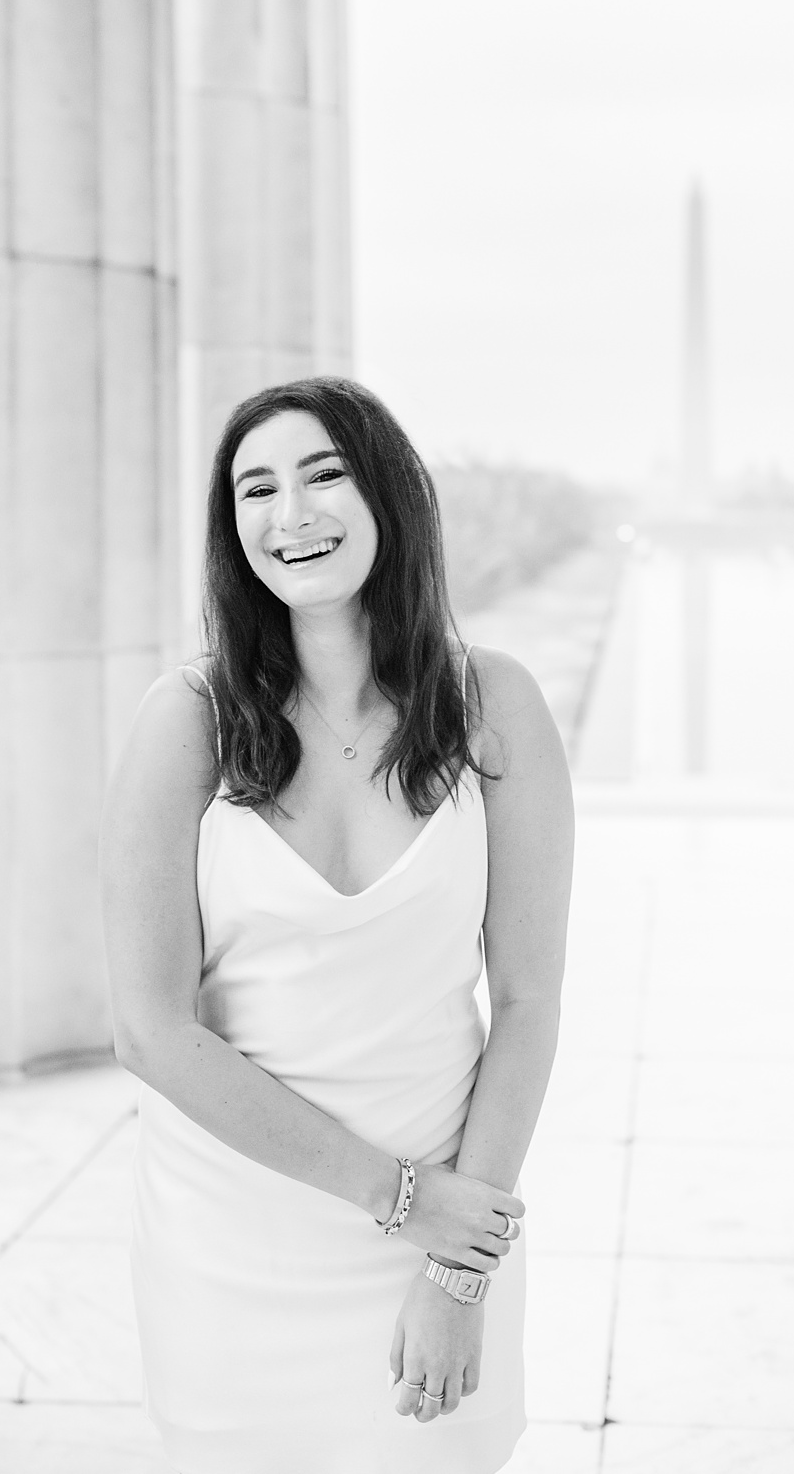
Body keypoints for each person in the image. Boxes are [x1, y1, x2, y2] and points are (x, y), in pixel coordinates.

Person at [100, 376, 574, 1470]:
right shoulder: (187, 722)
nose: (291, 513)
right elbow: (151, 1030)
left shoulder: (495, 706)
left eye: (324, 474)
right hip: (234, 1234)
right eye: (255, 488)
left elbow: (530, 999)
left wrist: (458, 1264)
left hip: (446, 1219)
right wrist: (394, 1197)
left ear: (388, 496)